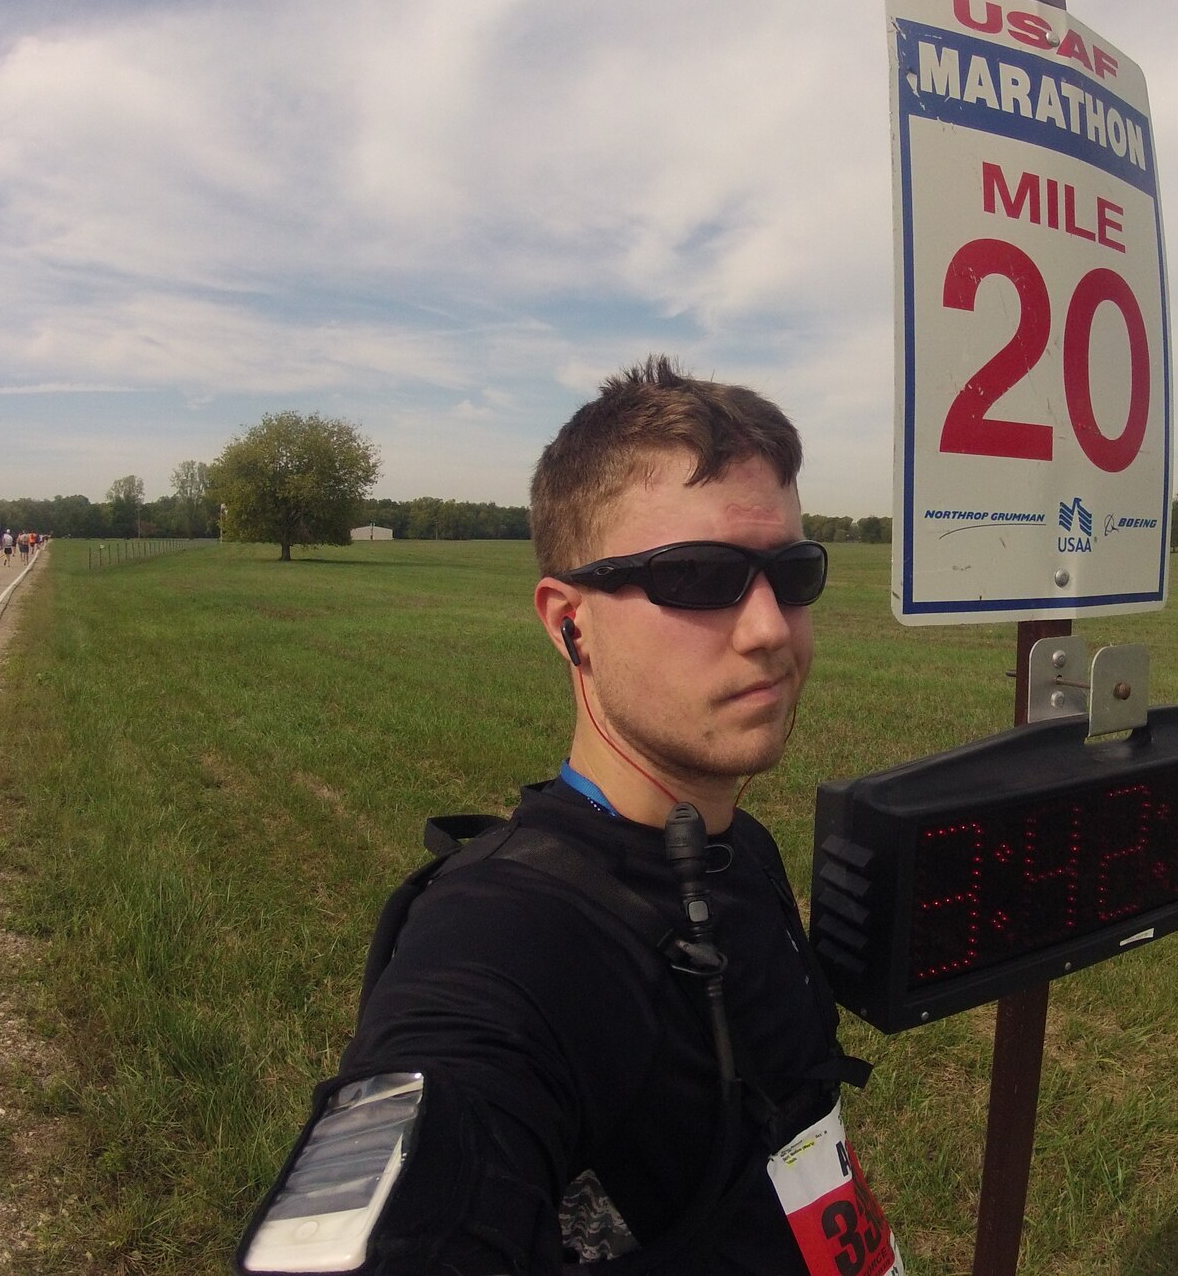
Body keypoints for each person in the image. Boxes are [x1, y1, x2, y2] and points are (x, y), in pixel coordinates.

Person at [241, 357, 898, 1276]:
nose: (769, 628)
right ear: (567, 622)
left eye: (792, 574)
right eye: (698, 576)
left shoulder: (735, 847)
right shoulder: (507, 937)